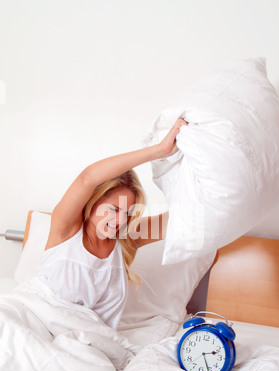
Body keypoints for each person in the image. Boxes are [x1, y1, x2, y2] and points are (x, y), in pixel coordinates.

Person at [38, 118, 187, 328]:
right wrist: (159, 150)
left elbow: (184, 215)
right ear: (91, 202)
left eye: (127, 212)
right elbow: (87, 178)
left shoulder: (126, 239)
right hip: (39, 323)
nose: (120, 220)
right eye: (113, 209)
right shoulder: (66, 229)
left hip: (88, 341)